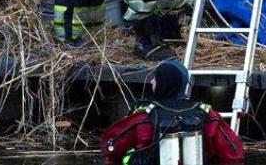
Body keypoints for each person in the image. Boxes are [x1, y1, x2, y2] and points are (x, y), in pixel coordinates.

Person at [99, 60, 244, 164]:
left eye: (155, 78)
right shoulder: (207, 114)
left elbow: (110, 145)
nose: (151, 82)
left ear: (164, 82)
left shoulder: (144, 117)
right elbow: (234, 154)